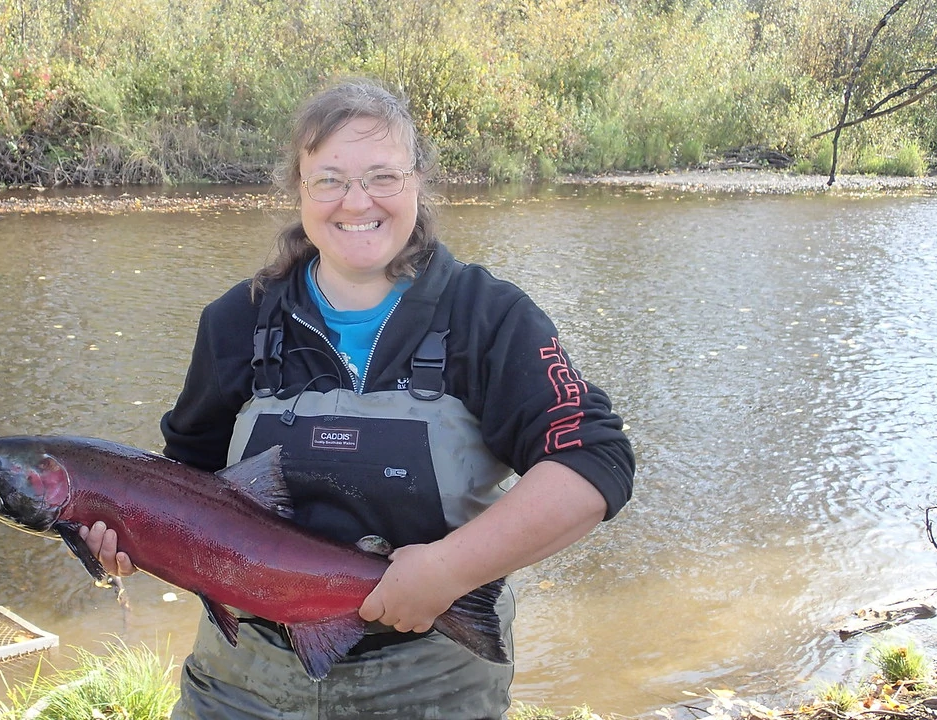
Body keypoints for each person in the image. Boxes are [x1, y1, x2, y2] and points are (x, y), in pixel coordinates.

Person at [81, 77, 635, 719]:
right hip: (245, 678)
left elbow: (594, 461)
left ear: (419, 183)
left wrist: (450, 572)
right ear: (299, 190)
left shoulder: (492, 318)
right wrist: (130, 534)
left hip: (431, 677)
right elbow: (183, 480)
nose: (357, 201)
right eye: (330, 179)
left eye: (382, 176)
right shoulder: (235, 320)